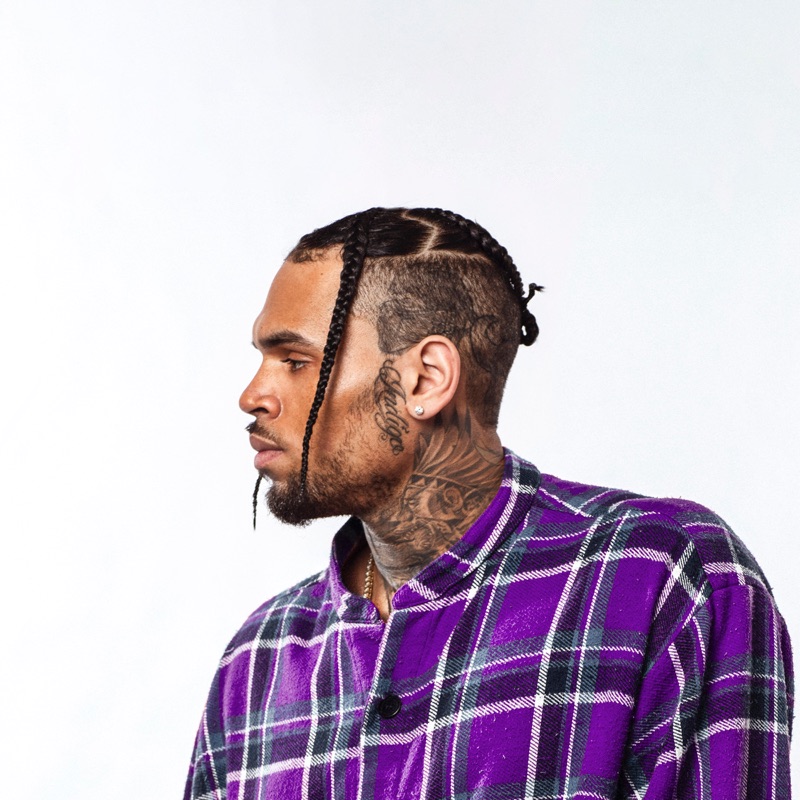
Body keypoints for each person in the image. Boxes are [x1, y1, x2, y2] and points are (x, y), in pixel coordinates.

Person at [184, 208, 793, 799]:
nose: (253, 395)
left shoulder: (659, 577)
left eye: (295, 362)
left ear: (426, 379)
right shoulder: (259, 659)